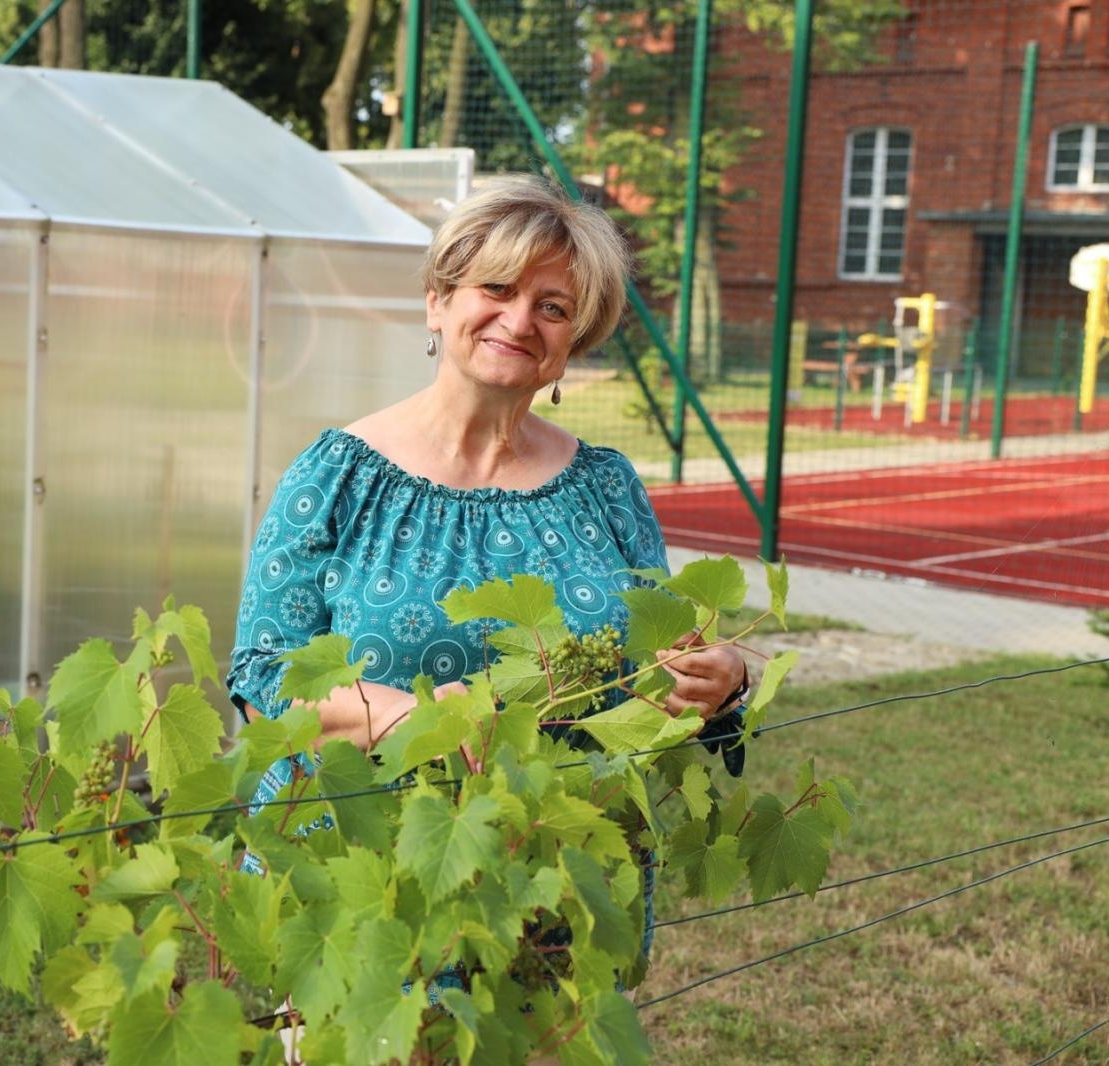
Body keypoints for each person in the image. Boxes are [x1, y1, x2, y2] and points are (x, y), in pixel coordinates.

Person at [226, 176, 748, 952]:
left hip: (554, 871)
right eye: (496, 288)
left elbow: (658, 663)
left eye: (553, 307)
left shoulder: (606, 486)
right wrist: (408, 716)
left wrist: (722, 677)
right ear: (438, 302)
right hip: (360, 877)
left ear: (574, 341)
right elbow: (264, 676)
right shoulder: (337, 474)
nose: (520, 320)